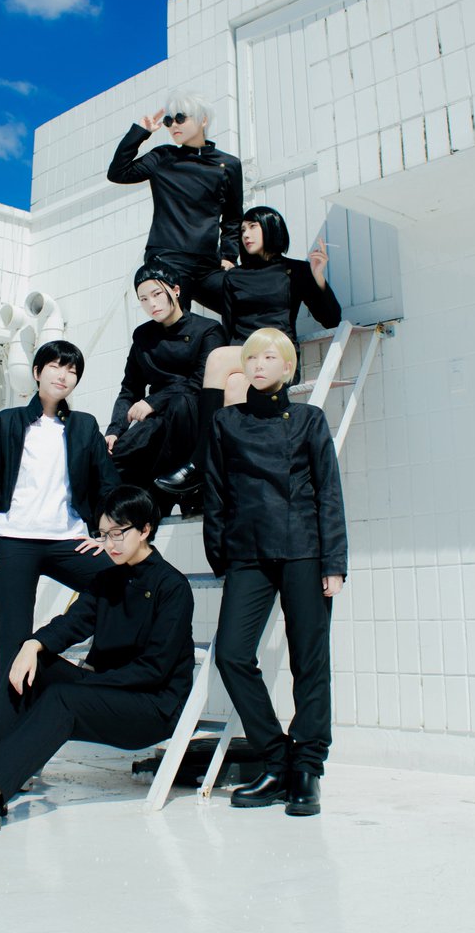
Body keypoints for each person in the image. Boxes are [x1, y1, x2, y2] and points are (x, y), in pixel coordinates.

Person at [0, 486, 195, 837]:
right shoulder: (107, 578)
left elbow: (155, 669)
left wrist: (87, 683)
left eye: (118, 533)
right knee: (38, 668)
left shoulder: (172, 587)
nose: (109, 544)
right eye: (103, 534)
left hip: (151, 707)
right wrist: (32, 645)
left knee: (64, 697)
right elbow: (71, 623)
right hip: (108, 691)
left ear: (145, 529)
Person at [202, 328, 347, 817]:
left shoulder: (308, 419)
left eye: (269, 357)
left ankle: (308, 768)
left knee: (311, 661)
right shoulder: (226, 422)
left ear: (288, 367)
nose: (259, 365)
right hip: (248, 553)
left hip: (304, 550)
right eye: (251, 358)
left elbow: (328, 492)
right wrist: (221, 556)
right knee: (231, 654)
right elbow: (216, 491)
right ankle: (275, 758)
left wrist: (334, 563)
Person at [0, 339, 120, 688]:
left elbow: (108, 486)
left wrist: (106, 537)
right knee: (12, 634)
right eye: (55, 366)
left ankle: (94, 666)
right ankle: (9, 714)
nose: (64, 375)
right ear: (36, 372)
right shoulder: (7, 422)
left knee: (123, 585)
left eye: (72, 370)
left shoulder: (84, 426)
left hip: (68, 539)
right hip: (13, 541)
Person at [155, 205, 341, 496]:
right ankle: (237, 477)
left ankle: (201, 461)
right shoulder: (234, 278)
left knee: (218, 356)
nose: (245, 234)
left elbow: (331, 319)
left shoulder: (295, 271)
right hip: (244, 357)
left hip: (278, 353)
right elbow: (231, 328)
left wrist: (317, 276)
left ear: (271, 227)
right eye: (242, 229)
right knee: (232, 387)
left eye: (253, 226)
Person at [107, 91, 243, 313]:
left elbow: (233, 216)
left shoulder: (228, 164)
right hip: (168, 257)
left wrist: (229, 256)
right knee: (177, 321)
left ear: (203, 120)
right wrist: (141, 132)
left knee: (242, 305)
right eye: (169, 121)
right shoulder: (163, 157)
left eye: (180, 118)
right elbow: (118, 173)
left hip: (208, 263)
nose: (173, 125)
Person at [105, 259, 224, 508]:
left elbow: (200, 381)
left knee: (181, 403)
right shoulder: (143, 336)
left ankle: (183, 489)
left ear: (176, 290)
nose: (151, 304)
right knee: (112, 459)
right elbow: (130, 388)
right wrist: (115, 430)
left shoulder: (208, 330)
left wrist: (153, 401)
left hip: (193, 416)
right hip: (156, 418)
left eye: (157, 294)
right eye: (143, 299)